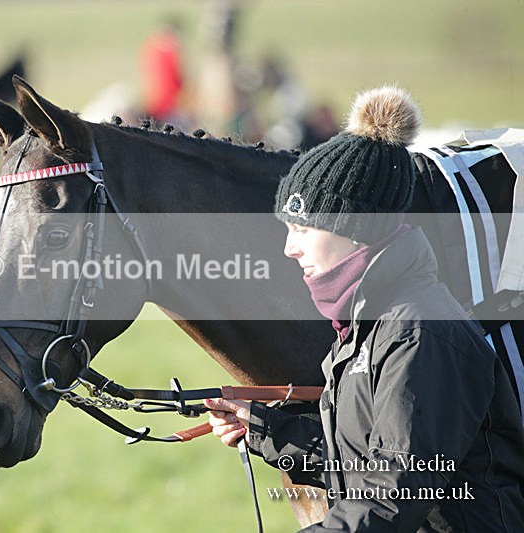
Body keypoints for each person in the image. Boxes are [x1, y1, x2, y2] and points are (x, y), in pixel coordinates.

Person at [205, 86, 524, 531]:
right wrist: (265, 431)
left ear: (356, 230)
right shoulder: (370, 324)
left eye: (302, 228)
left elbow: (395, 493)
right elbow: (366, 461)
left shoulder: (417, 331)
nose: (288, 248)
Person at [140, 19, 184, 123]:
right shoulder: (167, 54)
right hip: (165, 108)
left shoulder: (150, 49)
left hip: (154, 105)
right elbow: (176, 82)